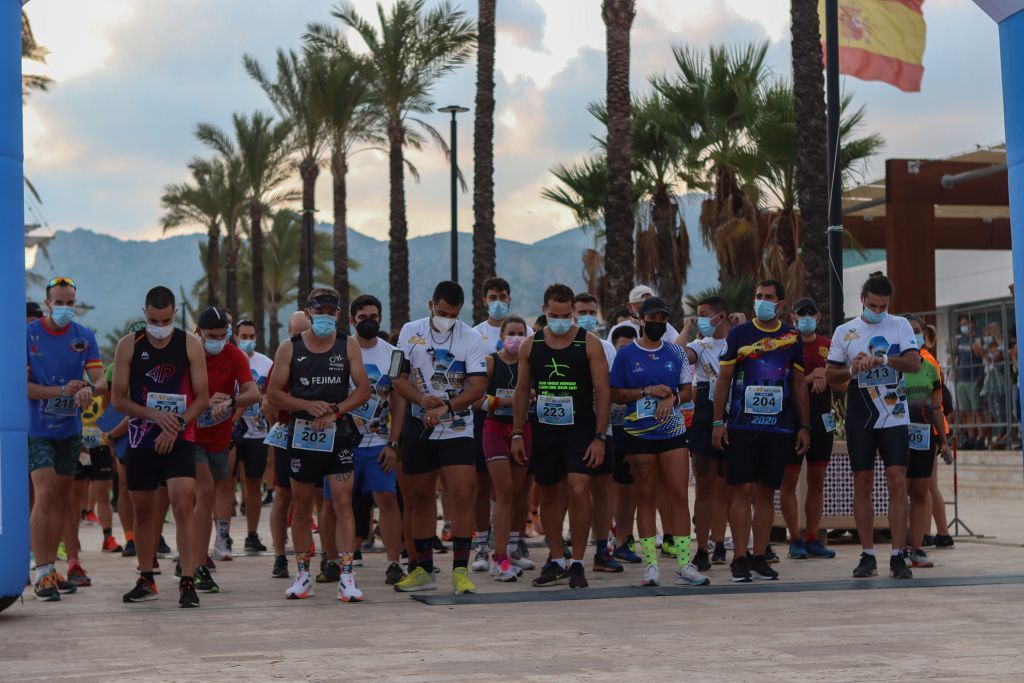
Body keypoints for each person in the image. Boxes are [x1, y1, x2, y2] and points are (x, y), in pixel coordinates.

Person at [267, 288, 372, 602]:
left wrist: (336, 411)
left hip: (337, 434)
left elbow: (363, 390)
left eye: (330, 311)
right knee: (301, 506)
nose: (324, 316)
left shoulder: (347, 345)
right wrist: (306, 405)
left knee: (342, 503)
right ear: (308, 312)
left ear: (338, 315)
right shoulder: (289, 348)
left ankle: (346, 576)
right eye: (319, 310)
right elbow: (273, 394)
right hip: (302, 436)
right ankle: (302, 575)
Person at [112, 286, 210, 606]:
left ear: (175, 315)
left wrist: (178, 423)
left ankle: (187, 580)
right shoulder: (129, 345)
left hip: (180, 436)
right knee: (143, 510)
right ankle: (146, 577)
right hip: (142, 437)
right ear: (144, 314)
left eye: (166, 319)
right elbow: (117, 400)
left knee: (183, 502)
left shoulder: (189, 344)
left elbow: (202, 397)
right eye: (154, 320)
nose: (159, 326)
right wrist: (154, 416)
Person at [391, 281, 488, 594]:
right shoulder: (409, 331)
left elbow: (477, 387)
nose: (447, 318)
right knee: (419, 497)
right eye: (442, 312)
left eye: (454, 314)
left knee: (461, 494)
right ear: (430, 304)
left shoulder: (471, 338)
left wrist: (447, 406)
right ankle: (422, 568)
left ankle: (461, 569)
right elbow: (396, 377)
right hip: (419, 426)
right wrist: (421, 400)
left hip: (457, 427)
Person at [513, 283, 611, 590]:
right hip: (544, 429)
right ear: (544, 311)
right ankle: (556, 559)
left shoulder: (589, 343)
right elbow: (521, 390)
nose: (561, 320)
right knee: (548, 494)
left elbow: (603, 392)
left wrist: (600, 436)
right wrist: (517, 433)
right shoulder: (531, 345)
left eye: (566, 315)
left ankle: (579, 561)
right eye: (554, 315)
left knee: (580, 488)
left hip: (580, 429)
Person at [712, 279, 810, 583]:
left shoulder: (791, 337)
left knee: (768, 493)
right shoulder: (740, 333)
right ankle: (739, 558)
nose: (762, 301)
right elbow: (724, 379)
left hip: (779, 427)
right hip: (742, 425)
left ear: (780, 304)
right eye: (758, 296)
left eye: (769, 297)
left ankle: (759, 556)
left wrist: (804, 425)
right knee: (742, 491)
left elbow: (797, 384)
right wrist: (718, 422)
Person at [610, 296, 709, 587]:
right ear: (641, 320)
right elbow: (616, 393)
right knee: (646, 497)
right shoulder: (626, 355)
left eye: (662, 319)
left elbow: (688, 392)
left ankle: (682, 563)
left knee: (679, 494)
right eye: (651, 318)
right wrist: (646, 392)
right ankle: (651, 566)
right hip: (639, 434)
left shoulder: (676, 353)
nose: (656, 323)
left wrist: (672, 397)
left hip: (673, 432)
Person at [825, 272, 919, 580]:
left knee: (897, 480)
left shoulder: (900, 325)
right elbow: (831, 375)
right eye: (873, 306)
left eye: (883, 307)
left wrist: (882, 361)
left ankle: (897, 554)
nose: (878, 311)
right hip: (860, 414)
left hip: (893, 413)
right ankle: (867, 554)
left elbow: (914, 364)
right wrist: (854, 368)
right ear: (862, 300)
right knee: (862, 482)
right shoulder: (846, 330)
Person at [27, 276, 107, 600]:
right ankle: (42, 571)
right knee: (43, 493)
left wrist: (89, 388)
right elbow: (23, 387)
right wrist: (60, 391)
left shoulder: (84, 336)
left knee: (60, 498)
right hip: (37, 429)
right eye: (58, 303)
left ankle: (54, 569)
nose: (64, 308)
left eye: (70, 303)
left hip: (70, 431)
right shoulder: (28, 335)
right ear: (47, 303)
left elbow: (101, 378)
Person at [190, 307, 260, 593]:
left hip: (220, 437)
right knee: (203, 492)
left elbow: (254, 393)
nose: (218, 341)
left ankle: (196, 551)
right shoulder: (188, 354)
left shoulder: (234, 355)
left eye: (223, 335)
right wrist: (205, 402)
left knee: (214, 493)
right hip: (190, 435)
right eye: (211, 336)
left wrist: (231, 402)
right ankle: (196, 564)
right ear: (198, 334)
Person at [348, 294, 407, 586]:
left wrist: (393, 443)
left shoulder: (394, 354)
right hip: (345, 443)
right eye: (362, 318)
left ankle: (394, 562)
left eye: (373, 317)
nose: (368, 322)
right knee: (338, 502)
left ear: (380, 319)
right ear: (351, 321)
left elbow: (398, 401)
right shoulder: (340, 350)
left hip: (379, 442)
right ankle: (338, 561)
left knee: (387, 499)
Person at [678, 297, 739, 570]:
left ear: (722, 316)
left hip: (733, 411)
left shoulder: (738, 341)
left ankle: (720, 543)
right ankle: (701, 547)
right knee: (704, 485)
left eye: (704, 314)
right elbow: (676, 356)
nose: (700, 318)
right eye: (698, 314)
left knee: (727, 486)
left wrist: (744, 325)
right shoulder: (699, 346)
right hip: (704, 412)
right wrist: (686, 329)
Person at [474, 315, 533, 581]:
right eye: (512, 333)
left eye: (521, 333)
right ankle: (496, 558)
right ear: (501, 336)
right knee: (503, 492)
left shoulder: (530, 364)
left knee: (517, 493)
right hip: (495, 430)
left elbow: (538, 393)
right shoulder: (490, 363)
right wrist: (502, 402)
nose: (516, 338)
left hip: (524, 430)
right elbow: (474, 399)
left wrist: (531, 397)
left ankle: (509, 550)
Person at [782, 297, 840, 560]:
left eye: (811, 313)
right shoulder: (785, 345)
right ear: (793, 317)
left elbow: (841, 378)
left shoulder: (829, 346)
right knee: (790, 480)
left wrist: (824, 376)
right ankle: (794, 538)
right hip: (792, 420)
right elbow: (781, 382)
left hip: (822, 419)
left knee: (817, 480)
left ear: (818, 317)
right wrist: (808, 378)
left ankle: (813, 536)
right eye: (800, 313)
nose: (806, 317)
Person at [573, 292, 623, 574]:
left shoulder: (606, 347)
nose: (587, 316)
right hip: (570, 430)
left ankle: (602, 550)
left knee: (602, 491)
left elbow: (613, 389)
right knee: (571, 490)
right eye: (582, 311)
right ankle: (564, 549)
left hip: (603, 429)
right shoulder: (560, 344)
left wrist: (603, 398)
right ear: (572, 313)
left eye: (592, 311)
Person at [902, 314, 954, 569]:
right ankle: (898, 550)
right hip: (897, 439)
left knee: (921, 492)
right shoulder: (893, 365)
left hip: (925, 439)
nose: (914, 335)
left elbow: (937, 408)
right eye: (909, 330)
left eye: (917, 330)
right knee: (900, 493)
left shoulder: (930, 366)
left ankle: (918, 548)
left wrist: (944, 443)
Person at [264, 311, 311, 579]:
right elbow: (269, 401)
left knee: (321, 497)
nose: (300, 339)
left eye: (305, 333)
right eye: (296, 334)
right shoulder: (283, 357)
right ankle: (280, 555)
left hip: (318, 434)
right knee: (283, 496)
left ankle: (329, 555)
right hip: (288, 433)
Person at [234, 318, 274, 553]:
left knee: (253, 484)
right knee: (226, 484)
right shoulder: (229, 360)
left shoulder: (266, 364)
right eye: (243, 336)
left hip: (257, 433)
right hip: (230, 430)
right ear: (235, 336)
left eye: (251, 336)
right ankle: (223, 535)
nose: (248, 341)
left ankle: (252, 534)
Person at [609, 325, 642, 563]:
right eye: (621, 348)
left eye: (630, 348)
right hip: (604, 432)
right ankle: (603, 540)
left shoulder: (641, 370)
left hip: (631, 432)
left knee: (627, 489)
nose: (625, 353)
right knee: (598, 490)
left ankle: (623, 540)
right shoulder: (604, 364)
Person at [606, 285, 679, 344]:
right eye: (640, 308)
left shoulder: (664, 327)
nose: (645, 312)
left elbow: (680, 348)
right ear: (630, 308)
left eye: (651, 308)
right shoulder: (618, 329)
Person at [952, 317, 984, 449]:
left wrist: (980, 376)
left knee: (977, 410)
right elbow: (957, 356)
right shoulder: (960, 339)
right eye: (961, 325)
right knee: (967, 411)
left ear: (972, 323)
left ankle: (981, 438)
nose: (963, 326)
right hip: (962, 379)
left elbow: (983, 357)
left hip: (974, 378)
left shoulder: (978, 337)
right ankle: (971, 438)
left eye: (965, 324)